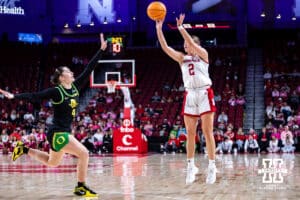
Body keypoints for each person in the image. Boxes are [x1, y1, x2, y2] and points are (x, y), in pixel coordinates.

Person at [0, 33, 107, 198]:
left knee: (52, 162)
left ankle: (24, 149)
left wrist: (101, 50)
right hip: (58, 133)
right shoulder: (56, 91)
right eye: (68, 72)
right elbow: (35, 96)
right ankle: (80, 187)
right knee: (84, 153)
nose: (72, 73)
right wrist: (14, 97)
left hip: (61, 132)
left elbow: (89, 68)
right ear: (61, 77)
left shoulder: (76, 86)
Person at [155, 13, 217, 184]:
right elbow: (166, 47)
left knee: (207, 131)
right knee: (190, 133)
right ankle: (191, 166)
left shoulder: (204, 54)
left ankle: (212, 166)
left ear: (195, 45)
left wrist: (181, 28)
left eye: (188, 44)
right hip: (190, 94)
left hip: (204, 93)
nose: (185, 46)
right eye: (184, 44)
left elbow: (189, 42)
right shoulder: (182, 58)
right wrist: (159, 29)